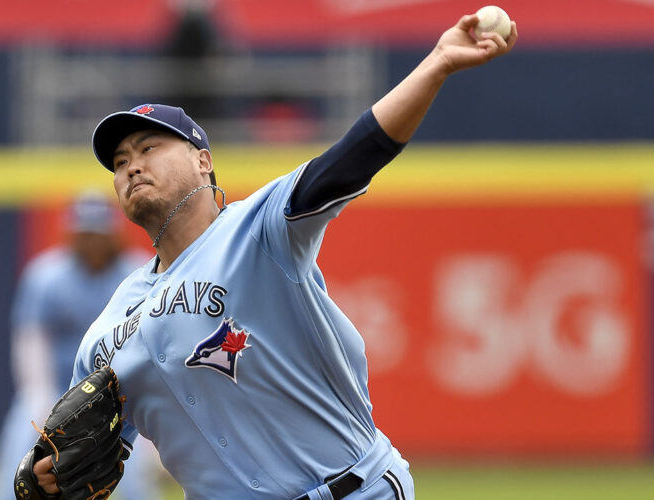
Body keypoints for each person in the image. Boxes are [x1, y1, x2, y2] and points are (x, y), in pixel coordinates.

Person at [34, 13, 518, 499]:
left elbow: (352, 158)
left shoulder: (258, 229)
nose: (132, 166)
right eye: (119, 163)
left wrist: (436, 64)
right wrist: (48, 475)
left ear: (203, 160)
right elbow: (76, 450)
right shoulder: (107, 333)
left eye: (148, 147)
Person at [0, 190, 157, 500]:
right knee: (17, 455)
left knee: (133, 479)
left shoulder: (139, 273)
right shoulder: (46, 276)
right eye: (85, 231)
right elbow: (31, 341)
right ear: (72, 233)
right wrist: (38, 394)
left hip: (116, 397)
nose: (92, 240)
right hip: (57, 389)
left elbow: (149, 344)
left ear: (113, 233)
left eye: (98, 232)